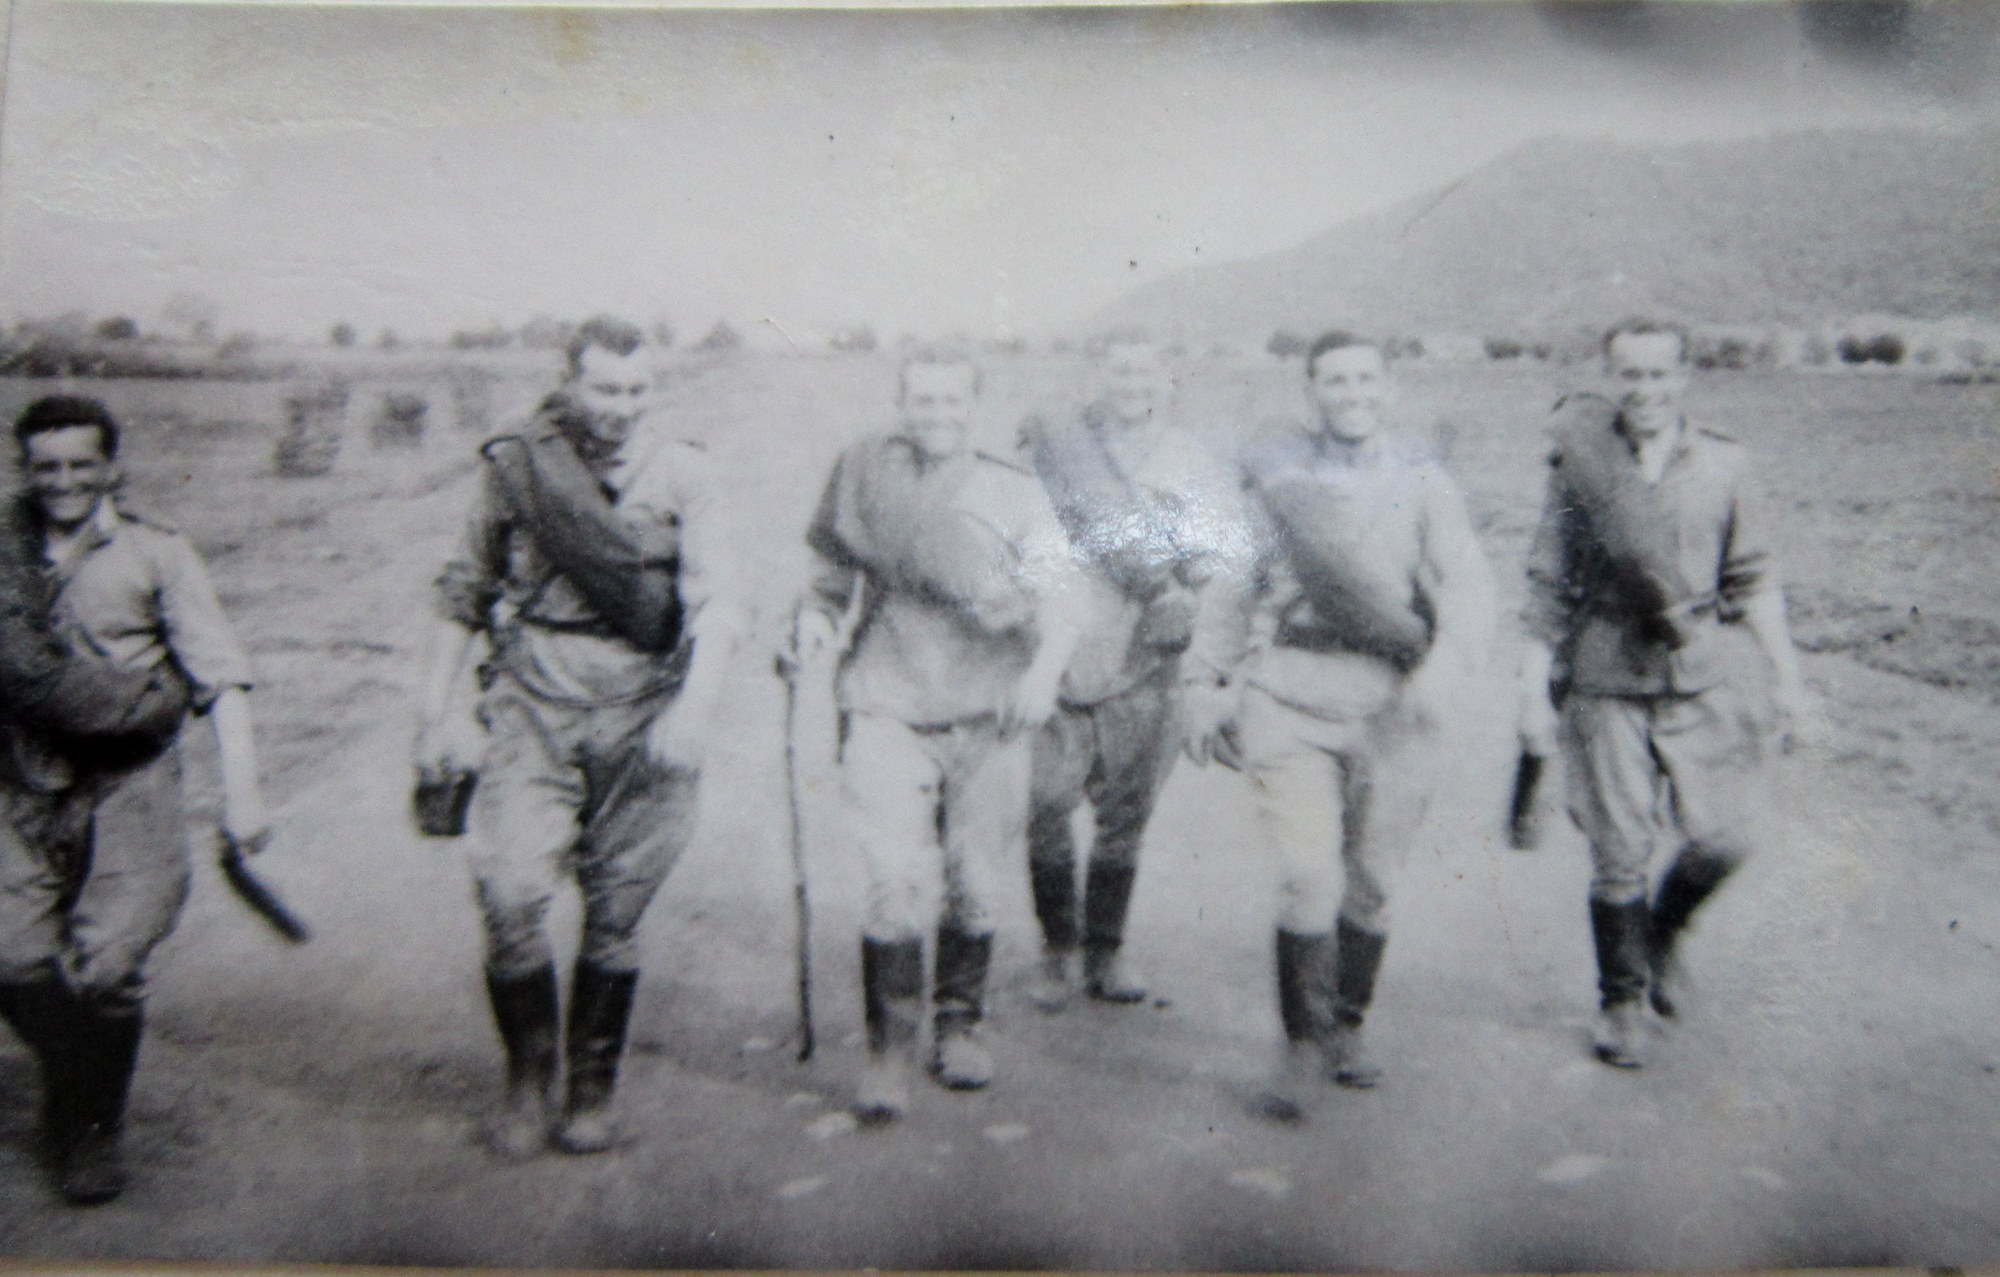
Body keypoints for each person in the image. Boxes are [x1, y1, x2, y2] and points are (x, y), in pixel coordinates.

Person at [417, 316, 741, 1157]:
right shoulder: (519, 467)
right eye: (604, 388)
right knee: (509, 894)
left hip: (643, 712)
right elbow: (463, 589)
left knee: (617, 907)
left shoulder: (686, 472)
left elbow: (718, 604)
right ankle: (529, 1078)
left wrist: (695, 709)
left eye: (638, 389)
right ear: (568, 382)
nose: (622, 407)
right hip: (533, 706)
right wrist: (436, 713)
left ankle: (591, 1088)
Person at [1188, 331, 1494, 1116]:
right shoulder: (1278, 485)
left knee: (1372, 882)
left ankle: (1346, 1024)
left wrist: (1444, 669)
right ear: (1311, 393)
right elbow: (1229, 590)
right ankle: (1301, 1043)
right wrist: (1203, 681)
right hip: (1290, 696)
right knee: (1307, 874)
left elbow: (1467, 590)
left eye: (1365, 379)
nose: (1351, 394)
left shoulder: (1425, 485)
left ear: (1389, 389)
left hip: (1393, 705)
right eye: (1335, 381)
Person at [795, 349, 1084, 1123]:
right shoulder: (865, 473)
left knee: (974, 879)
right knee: (891, 879)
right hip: (887, 697)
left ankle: (959, 1025)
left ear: (974, 406)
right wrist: (813, 624)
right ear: (902, 402)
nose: (937, 414)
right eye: (923, 399)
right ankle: (889, 1051)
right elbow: (828, 576)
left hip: (989, 709)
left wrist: (1042, 674)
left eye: (952, 400)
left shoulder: (1014, 488)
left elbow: (1063, 599)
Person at [0, 395, 270, 1205]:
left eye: (81, 464)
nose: (64, 481)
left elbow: (221, 677)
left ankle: (91, 1127)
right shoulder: (4, 554)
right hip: (21, 778)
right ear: (24, 470)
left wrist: (243, 794)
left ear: (112, 467)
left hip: (130, 782)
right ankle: (74, 1076)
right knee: (9, 953)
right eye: (46, 466)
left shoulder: (157, 553)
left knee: (112, 963)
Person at [1518, 318, 1808, 1070]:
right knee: (1619, 849)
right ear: (1610, 378)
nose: (1644, 390)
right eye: (1630, 375)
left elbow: (1754, 579)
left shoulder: (1725, 463)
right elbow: (1547, 582)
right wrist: (1531, 691)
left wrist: (1788, 680)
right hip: (1606, 670)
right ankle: (1621, 1000)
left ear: (1684, 378)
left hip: (1700, 667)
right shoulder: (1581, 466)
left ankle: (1665, 930)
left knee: (1728, 835)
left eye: (1658, 374)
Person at [1016, 334, 1238, 1010]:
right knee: (1045, 802)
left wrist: (1188, 593)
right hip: (1063, 643)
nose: (1132, 383)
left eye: (1147, 371)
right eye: (1119, 370)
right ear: (1095, 374)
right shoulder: (1057, 446)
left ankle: (1106, 949)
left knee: (1126, 811)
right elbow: (1021, 529)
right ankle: (1058, 945)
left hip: (1148, 652)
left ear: (1168, 379)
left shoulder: (1190, 457)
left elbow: (1214, 554)